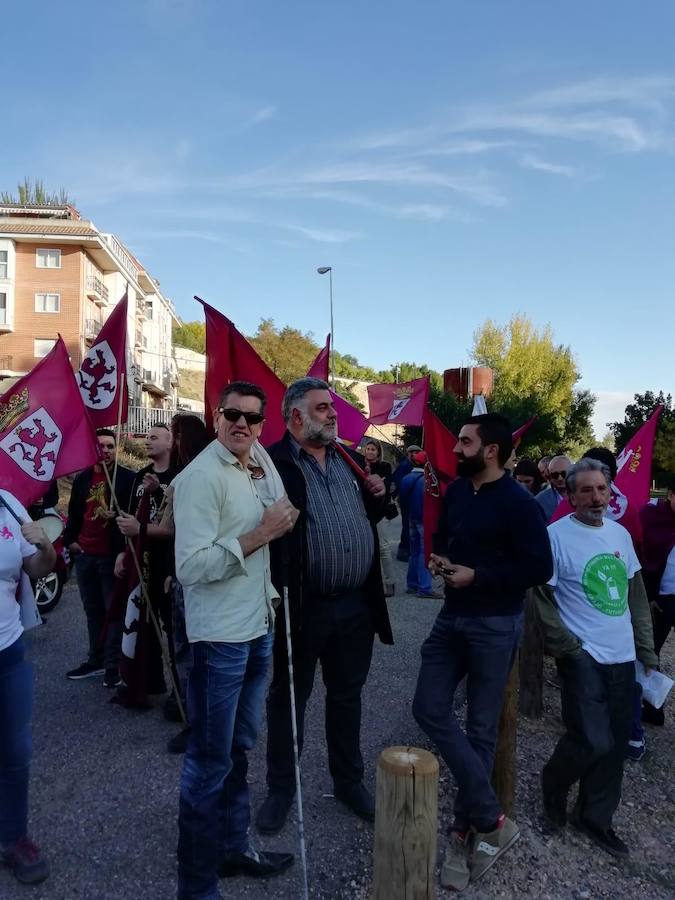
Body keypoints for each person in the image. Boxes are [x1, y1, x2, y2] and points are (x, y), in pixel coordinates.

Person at [412, 413, 553, 891]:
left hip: (495, 624)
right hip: (451, 618)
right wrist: (440, 558)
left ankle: (463, 830)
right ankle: (493, 815)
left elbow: (538, 566)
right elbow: (443, 537)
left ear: (490, 450)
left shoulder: (520, 503)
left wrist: (481, 577)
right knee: (428, 708)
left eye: (465, 442)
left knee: (480, 728)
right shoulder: (456, 492)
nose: (455, 449)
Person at [174, 381, 297, 899]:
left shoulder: (259, 455)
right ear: (216, 415)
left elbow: (283, 505)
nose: (242, 424)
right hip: (219, 638)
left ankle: (233, 847)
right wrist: (261, 534)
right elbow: (189, 567)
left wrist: (275, 521)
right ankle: (197, 887)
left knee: (239, 749)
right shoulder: (200, 477)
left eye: (252, 417)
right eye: (232, 414)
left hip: (256, 627)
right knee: (208, 761)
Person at [256, 377, 392, 835]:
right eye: (321, 408)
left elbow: (363, 519)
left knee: (347, 698)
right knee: (289, 699)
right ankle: (280, 790)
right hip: (302, 605)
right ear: (295, 417)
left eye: (331, 408)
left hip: (355, 605)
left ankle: (348, 781)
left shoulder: (346, 459)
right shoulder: (270, 464)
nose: (333, 415)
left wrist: (377, 496)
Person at [535, 459, 657, 858]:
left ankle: (595, 818)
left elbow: (635, 597)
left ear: (611, 492)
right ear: (570, 496)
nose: (595, 497)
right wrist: (568, 648)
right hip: (583, 656)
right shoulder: (554, 536)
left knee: (616, 744)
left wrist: (646, 650)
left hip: (623, 658)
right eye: (585, 490)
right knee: (591, 739)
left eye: (602, 489)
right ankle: (553, 783)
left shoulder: (620, 535)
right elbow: (541, 599)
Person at [0, 490, 55, 885]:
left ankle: (14, 837)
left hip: (8, 647)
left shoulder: (5, 503)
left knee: (16, 751)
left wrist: (46, 547)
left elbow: (36, 569)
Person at [64, 429, 135, 687]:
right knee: (92, 610)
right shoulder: (82, 478)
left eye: (109, 446)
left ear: (116, 449)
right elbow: (74, 512)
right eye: (100, 446)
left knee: (113, 612)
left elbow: (132, 515)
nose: (105, 451)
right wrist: (71, 541)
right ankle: (96, 659)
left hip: (111, 556)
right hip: (85, 554)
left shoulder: (127, 478)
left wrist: (122, 548)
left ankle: (113, 666)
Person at [116, 423, 176, 695]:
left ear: (169, 443)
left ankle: (180, 689)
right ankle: (150, 680)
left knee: (171, 626)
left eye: (154, 438)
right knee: (143, 622)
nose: (147, 442)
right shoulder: (139, 476)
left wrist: (159, 492)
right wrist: (122, 552)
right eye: (147, 437)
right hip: (141, 558)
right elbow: (130, 517)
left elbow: (178, 520)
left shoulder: (178, 477)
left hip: (167, 561)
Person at [638, 477, 675, 726]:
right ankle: (652, 708)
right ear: (671, 495)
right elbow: (643, 555)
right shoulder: (652, 516)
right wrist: (649, 596)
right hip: (663, 596)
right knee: (651, 651)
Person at [401, 451, 441, 598]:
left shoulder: (406, 478)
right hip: (425, 519)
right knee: (425, 553)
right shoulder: (429, 480)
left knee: (414, 552)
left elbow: (403, 501)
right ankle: (425, 587)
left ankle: (411, 584)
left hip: (411, 517)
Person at [363, 438, 396, 597]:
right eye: (368, 449)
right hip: (365, 513)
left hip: (381, 513)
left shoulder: (384, 466)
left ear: (378, 452)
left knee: (383, 548)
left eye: (373, 449)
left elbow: (385, 486)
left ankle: (389, 583)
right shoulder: (359, 464)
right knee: (369, 549)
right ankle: (374, 584)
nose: (369, 451)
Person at [392, 444, 421, 561]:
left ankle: (411, 548)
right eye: (412, 452)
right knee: (407, 525)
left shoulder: (419, 465)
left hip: (415, 500)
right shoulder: (404, 466)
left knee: (413, 525)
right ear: (408, 454)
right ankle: (403, 550)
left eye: (416, 452)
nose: (414, 454)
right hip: (406, 500)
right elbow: (398, 482)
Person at [536, 455, 572, 522]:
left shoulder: (585, 495)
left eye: (564, 473)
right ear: (550, 476)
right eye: (555, 475)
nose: (560, 478)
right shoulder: (540, 500)